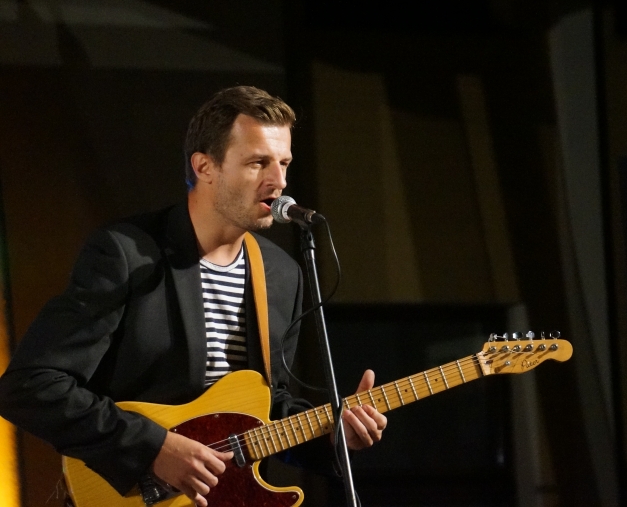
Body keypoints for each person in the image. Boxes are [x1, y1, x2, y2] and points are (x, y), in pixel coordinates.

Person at [0, 86, 387, 507]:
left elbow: (265, 410)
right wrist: (153, 448)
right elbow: (31, 384)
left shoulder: (281, 275)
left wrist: (331, 436)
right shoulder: (126, 254)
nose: (279, 182)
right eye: (258, 162)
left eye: (284, 163)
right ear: (204, 166)